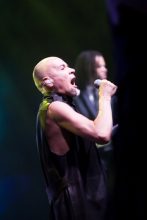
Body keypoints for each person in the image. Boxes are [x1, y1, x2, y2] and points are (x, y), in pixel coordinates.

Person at [32, 56, 117, 220]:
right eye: (63, 68)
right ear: (47, 82)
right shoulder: (54, 108)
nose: (72, 69)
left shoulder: (62, 106)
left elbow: (91, 144)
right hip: (78, 206)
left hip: (85, 202)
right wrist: (105, 97)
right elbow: (101, 134)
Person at [73, 50, 118, 219]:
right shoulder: (75, 99)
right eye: (100, 66)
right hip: (91, 166)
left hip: (113, 160)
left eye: (105, 65)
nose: (105, 70)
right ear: (89, 68)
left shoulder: (112, 98)